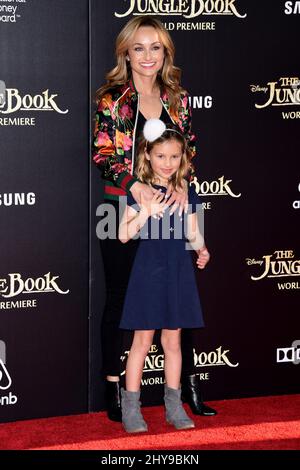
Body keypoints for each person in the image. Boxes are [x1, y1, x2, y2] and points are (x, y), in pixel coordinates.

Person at [93, 15, 216, 422]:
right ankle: (114, 390)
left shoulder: (176, 98)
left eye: (156, 47)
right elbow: (103, 153)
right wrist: (135, 185)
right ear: (125, 52)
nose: (148, 56)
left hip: (172, 210)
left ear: (166, 54)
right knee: (119, 301)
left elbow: (189, 150)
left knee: (177, 304)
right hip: (122, 208)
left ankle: (187, 391)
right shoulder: (113, 98)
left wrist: (183, 184)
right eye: (139, 47)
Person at [118, 119, 210, 433]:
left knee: (173, 342)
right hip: (148, 274)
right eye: (161, 156)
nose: (167, 163)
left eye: (174, 157)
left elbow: (194, 232)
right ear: (148, 157)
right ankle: (131, 408)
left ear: (182, 158)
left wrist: (202, 250)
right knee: (141, 343)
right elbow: (122, 235)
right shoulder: (141, 193)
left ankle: (174, 406)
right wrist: (145, 212)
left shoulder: (188, 191)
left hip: (178, 273)